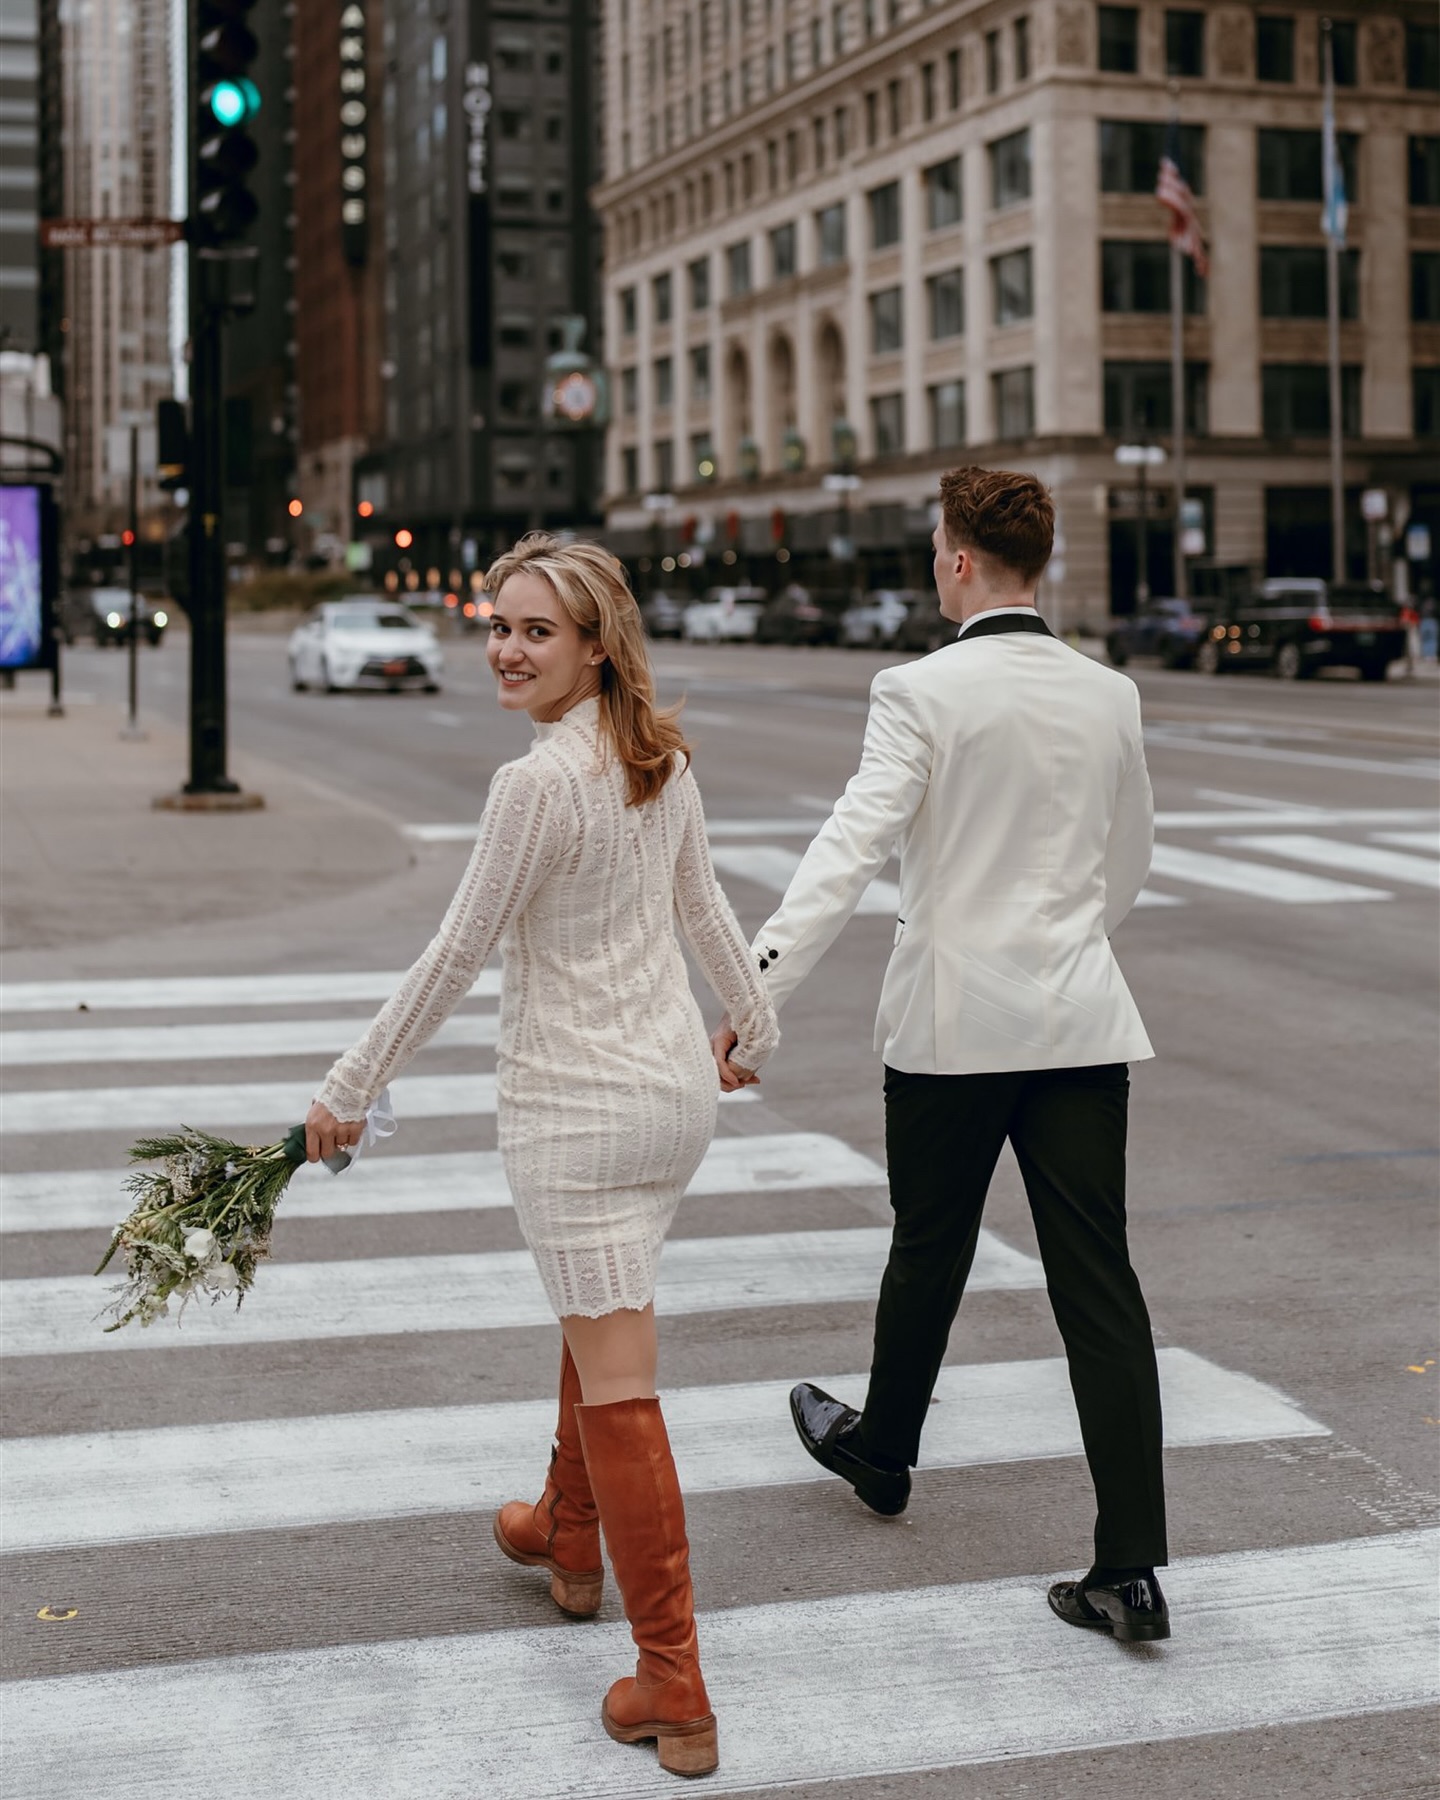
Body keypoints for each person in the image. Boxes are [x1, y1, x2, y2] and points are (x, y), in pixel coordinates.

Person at [308, 533, 779, 1778]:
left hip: (576, 1114)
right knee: (601, 1310)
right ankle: (568, 1540)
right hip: (671, 1101)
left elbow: (456, 956)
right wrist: (758, 1022)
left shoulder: (537, 786)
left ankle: (674, 1683)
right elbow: (708, 914)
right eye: (498, 626)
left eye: (536, 632)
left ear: (593, 647)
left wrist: (350, 1088)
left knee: (621, 1372)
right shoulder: (655, 759)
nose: (507, 650)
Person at [712, 466, 1170, 1642]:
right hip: (1077, 1022)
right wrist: (1063, 943)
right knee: (1100, 1285)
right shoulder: (1109, 694)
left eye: (934, 547)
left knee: (929, 1250)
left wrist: (752, 993)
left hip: (955, 1026)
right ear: (1042, 562)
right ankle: (1129, 1566)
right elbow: (1129, 863)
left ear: (960, 560)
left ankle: (884, 1452)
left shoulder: (918, 691)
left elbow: (846, 852)